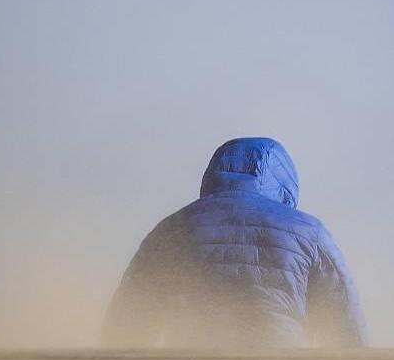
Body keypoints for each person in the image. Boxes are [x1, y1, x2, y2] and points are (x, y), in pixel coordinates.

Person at [102, 137, 366, 348]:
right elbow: (343, 314)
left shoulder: (172, 228)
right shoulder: (309, 231)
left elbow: (129, 317)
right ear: (284, 182)